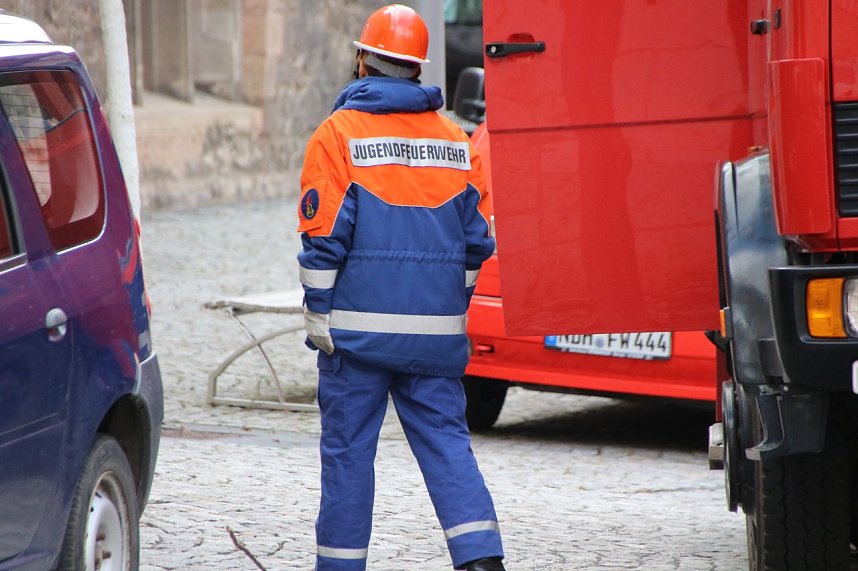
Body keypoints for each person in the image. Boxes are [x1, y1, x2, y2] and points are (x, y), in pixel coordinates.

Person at [296, 5, 505, 571]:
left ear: (363, 59)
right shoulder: (454, 140)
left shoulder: (338, 135)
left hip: (357, 339)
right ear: (418, 69)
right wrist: (450, 306)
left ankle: (340, 565)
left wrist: (318, 313)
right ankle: (482, 559)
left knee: (347, 455)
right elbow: (476, 242)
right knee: (447, 447)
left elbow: (324, 237)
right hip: (434, 339)